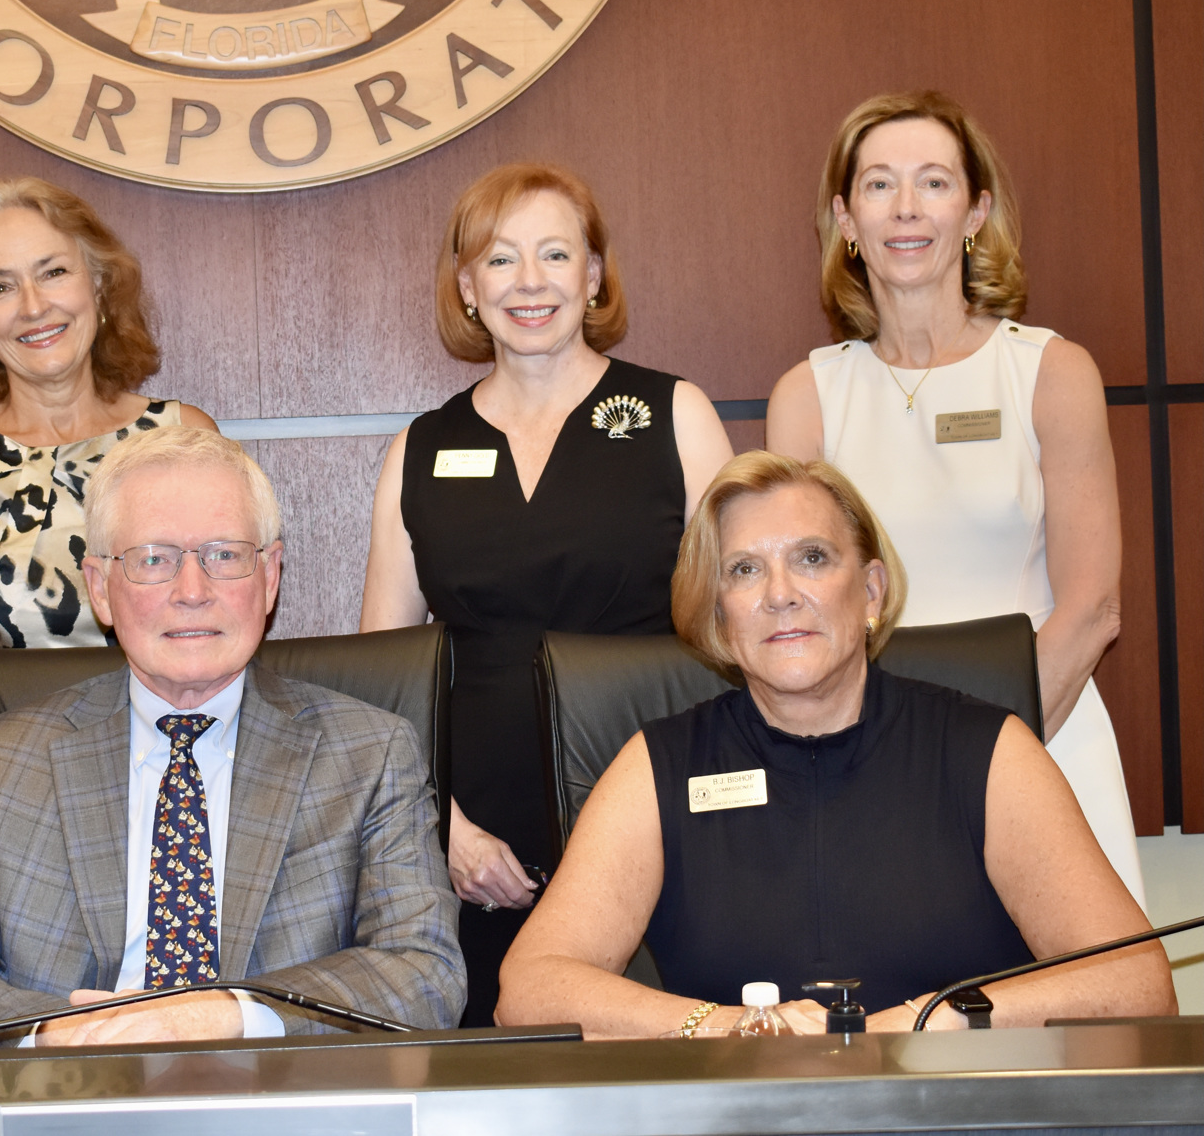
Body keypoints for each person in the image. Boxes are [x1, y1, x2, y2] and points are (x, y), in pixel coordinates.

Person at [495, 452, 1173, 1038]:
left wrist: (928, 1021)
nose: (780, 595)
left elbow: (1137, 986)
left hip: (952, 1118)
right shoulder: (659, 767)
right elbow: (528, 992)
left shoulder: (989, 753)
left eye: (811, 559)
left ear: (871, 591)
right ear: (719, 617)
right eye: (744, 570)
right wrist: (729, 1026)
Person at [0, 427, 464, 1043]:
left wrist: (228, 1016)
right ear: (100, 588)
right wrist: (54, 1033)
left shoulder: (370, 755)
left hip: (283, 1106)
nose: (192, 592)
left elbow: (425, 974)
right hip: (69, 1105)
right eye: (154, 559)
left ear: (269, 576)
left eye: (225, 555)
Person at [360, 162, 733, 1026]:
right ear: (466, 284)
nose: (529, 283)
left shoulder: (675, 415)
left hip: (661, 814)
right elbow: (384, 687)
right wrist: (437, 828)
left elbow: (736, 634)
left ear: (594, 276)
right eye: (500, 260)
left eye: (556, 255)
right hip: (476, 850)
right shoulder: (419, 449)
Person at [766, 90, 1143, 903]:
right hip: (867, 763)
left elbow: (1092, 611)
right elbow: (794, 609)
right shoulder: (807, 397)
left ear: (975, 212)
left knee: (1082, 1021)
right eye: (878, 185)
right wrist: (902, 766)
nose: (906, 209)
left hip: (1045, 740)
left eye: (934, 183)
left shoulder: (1051, 372)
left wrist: (986, 755)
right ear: (845, 218)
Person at [0, 177, 217, 837]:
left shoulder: (185, 438)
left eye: (53, 272)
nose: (33, 306)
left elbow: (223, 635)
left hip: (182, 785)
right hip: (22, 805)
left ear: (98, 286)